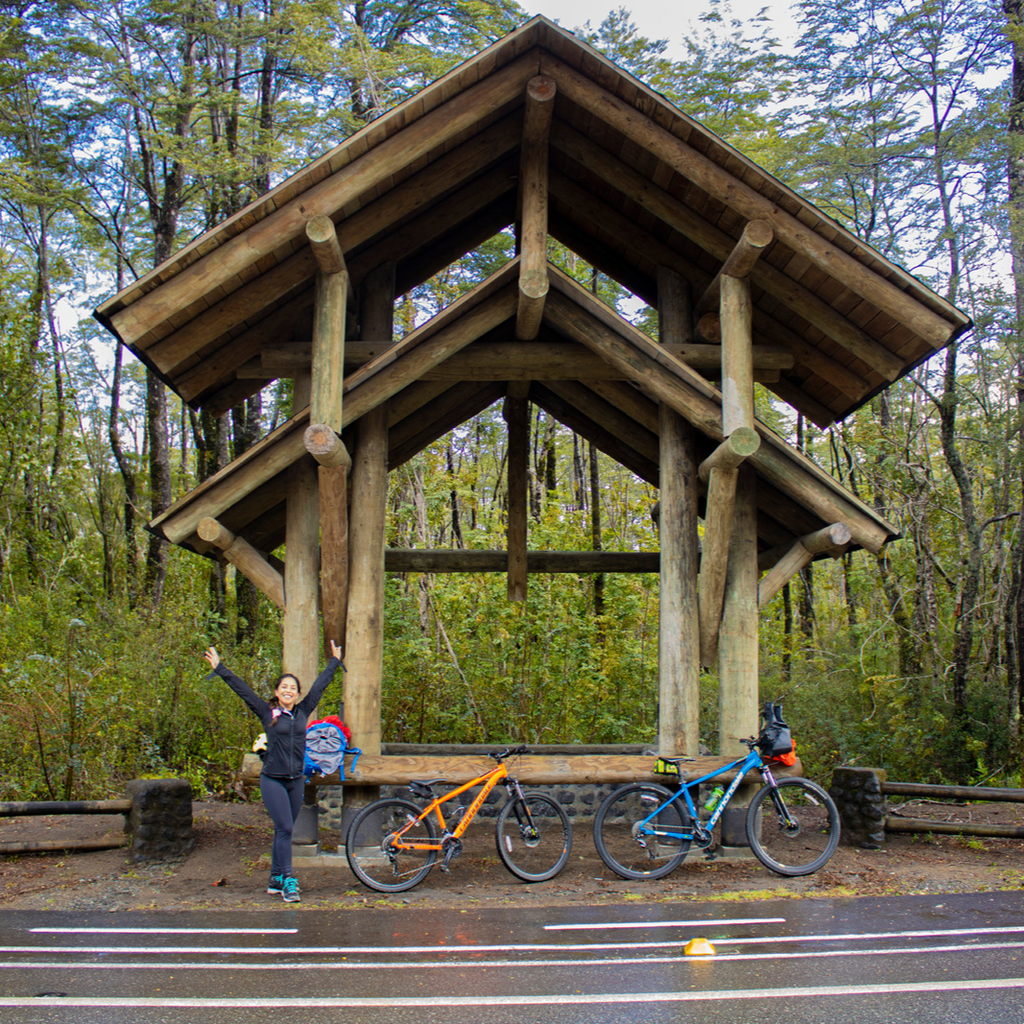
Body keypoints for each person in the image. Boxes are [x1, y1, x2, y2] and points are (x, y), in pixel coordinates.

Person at [203, 641, 343, 902]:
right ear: (277, 692)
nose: (288, 690)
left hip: (296, 780)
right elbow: (242, 690)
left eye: (293, 688)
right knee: (285, 828)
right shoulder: (268, 712)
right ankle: (289, 880)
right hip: (272, 780)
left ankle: (275, 879)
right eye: (284, 687)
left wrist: (335, 661)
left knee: (284, 831)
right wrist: (220, 668)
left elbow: (320, 686)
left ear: (297, 693)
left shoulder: (302, 712)